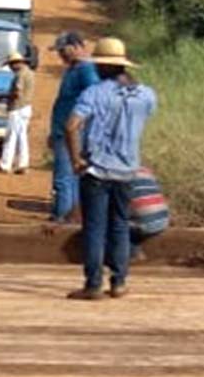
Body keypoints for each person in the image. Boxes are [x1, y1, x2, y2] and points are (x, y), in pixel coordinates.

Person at [64, 37, 157, 300]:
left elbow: (71, 126)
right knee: (119, 225)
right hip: (127, 170)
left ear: (103, 66)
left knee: (94, 227)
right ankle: (119, 282)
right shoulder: (146, 94)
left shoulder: (94, 93)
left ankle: (93, 285)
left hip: (97, 169)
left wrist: (75, 161)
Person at [48, 31, 99, 222]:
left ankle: (61, 216)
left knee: (64, 177)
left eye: (63, 50)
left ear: (77, 47)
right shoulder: (73, 69)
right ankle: (69, 216)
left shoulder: (86, 70)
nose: (60, 54)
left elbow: (93, 96)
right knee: (71, 177)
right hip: (63, 130)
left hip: (73, 131)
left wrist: (79, 125)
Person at [0, 51, 35, 174]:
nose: (11, 67)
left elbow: (17, 93)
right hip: (26, 107)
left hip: (17, 108)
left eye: (12, 64)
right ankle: (23, 164)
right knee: (22, 137)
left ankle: (5, 165)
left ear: (17, 63)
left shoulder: (20, 75)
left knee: (10, 137)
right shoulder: (30, 73)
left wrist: (2, 96)